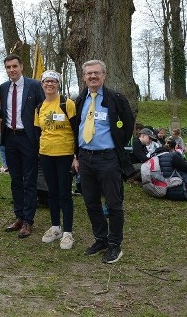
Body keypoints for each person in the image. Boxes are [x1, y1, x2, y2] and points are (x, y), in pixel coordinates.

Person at [72, 59, 134, 264]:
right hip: (85, 159)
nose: (92, 76)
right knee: (91, 202)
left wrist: (114, 147)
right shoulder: (79, 100)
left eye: (96, 73)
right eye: (88, 73)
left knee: (113, 204)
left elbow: (127, 127)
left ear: (104, 75)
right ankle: (101, 239)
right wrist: (76, 155)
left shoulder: (116, 99)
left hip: (107, 159)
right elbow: (75, 129)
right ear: (83, 77)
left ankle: (115, 245)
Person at [0, 54, 44, 238]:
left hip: (28, 139)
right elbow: (5, 112)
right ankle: (19, 216)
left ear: (21, 67)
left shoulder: (34, 85)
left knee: (29, 180)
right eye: (8, 67)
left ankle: (28, 221)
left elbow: (43, 108)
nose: (11, 70)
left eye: (14, 66)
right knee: (15, 179)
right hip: (10, 139)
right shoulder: (4, 87)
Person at [34, 70, 77, 249]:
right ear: (42, 85)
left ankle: (68, 232)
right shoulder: (39, 107)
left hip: (65, 154)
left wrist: (76, 156)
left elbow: (76, 130)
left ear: (58, 84)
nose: (49, 84)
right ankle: (55, 227)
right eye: (46, 82)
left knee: (64, 192)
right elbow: (38, 131)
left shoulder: (67, 104)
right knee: (51, 192)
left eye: (53, 81)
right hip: (46, 154)